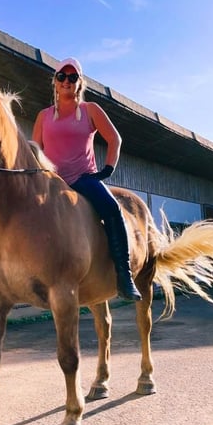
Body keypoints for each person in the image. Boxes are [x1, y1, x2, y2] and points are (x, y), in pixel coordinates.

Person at [32, 58, 142, 301]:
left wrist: (107, 170)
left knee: (113, 209)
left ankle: (124, 277)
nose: (67, 81)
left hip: (83, 180)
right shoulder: (44, 116)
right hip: (52, 182)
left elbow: (115, 139)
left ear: (79, 82)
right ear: (55, 81)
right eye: (62, 76)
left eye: (73, 77)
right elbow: (36, 150)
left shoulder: (90, 109)